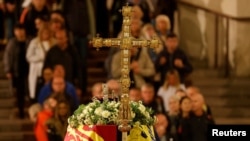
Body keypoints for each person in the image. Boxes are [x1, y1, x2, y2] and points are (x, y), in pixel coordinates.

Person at [3, 23, 30, 119]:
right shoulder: (12, 43)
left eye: (21, 30)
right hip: (17, 71)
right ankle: (21, 112)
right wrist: (8, 70)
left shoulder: (29, 41)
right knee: (19, 93)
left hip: (29, 71)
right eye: (18, 30)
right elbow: (7, 57)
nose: (20, 32)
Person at [26, 22, 55, 102]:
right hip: (38, 72)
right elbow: (29, 57)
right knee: (37, 92)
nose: (46, 35)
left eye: (48, 33)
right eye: (44, 33)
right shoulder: (34, 42)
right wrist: (40, 57)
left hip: (49, 71)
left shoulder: (53, 42)